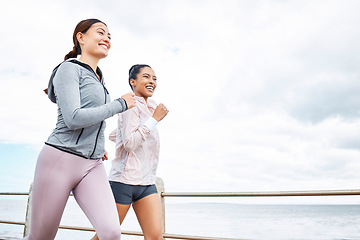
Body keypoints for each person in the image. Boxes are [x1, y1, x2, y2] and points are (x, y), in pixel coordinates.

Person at [23, 19, 136, 240]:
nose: (107, 38)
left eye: (110, 36)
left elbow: (95, 119)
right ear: (81, 37)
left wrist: (97, 143)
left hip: (92, 164)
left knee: (111, 232)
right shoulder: (68, 69)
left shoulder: (100, 78)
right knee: (41, 237)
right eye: (101, 32)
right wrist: (120, 104)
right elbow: (74, 118)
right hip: (59, 159)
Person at [91, 64, 169, 240]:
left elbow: (118, 135)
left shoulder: (150, 107)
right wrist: (154, 120)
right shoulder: (130, 104)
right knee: (105, 237)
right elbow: (129, 143)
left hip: (147, 182)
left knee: (156, 237)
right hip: (123, 183)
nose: (152, 81)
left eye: (154, 78)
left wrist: (125, 134)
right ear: (133, 81)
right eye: (146, 77)